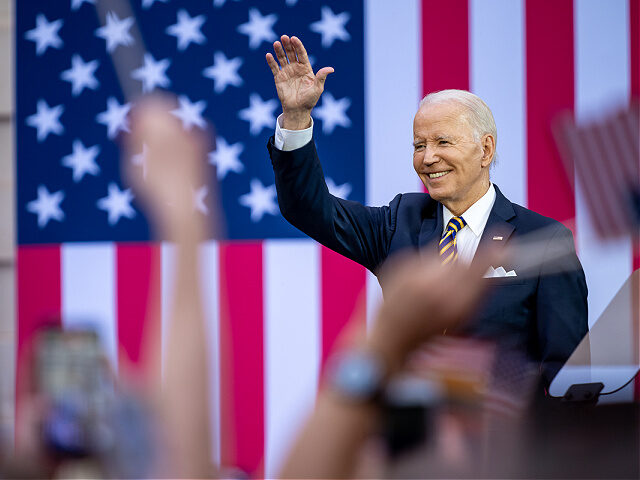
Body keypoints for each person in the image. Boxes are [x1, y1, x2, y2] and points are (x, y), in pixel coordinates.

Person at [265, 35, 588, 383]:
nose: (428, 158)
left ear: (486, 150)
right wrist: (296, 117)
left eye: (442, 142)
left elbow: (566, 375)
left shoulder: (543, 239)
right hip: (410, 433)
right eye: (419, 145)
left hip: (502, 433)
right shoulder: (399, 222)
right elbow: (306, 208)